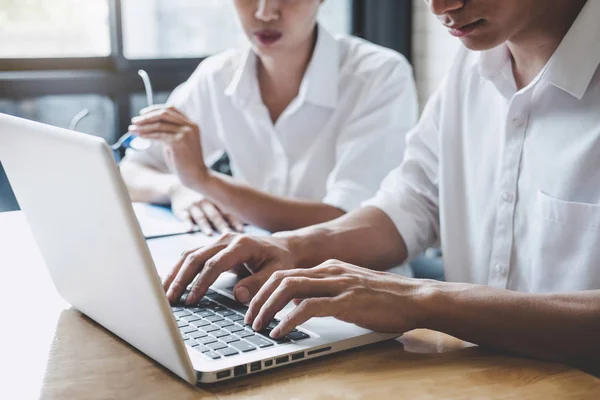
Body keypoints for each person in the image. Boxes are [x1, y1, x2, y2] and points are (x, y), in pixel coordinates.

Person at [162, 0, 600, 370]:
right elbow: (412, 203)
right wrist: (294, 247)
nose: (439, 7)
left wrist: (424, 300)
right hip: (474, 374)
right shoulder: (472, 63)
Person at [120, 0, 417, 236]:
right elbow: (131, 172)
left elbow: (345, 222)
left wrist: (204, 181)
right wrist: (179, 188)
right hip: (256, 280)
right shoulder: (218, 77)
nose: (264, 12)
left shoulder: (378, 75)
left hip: (355, 286)